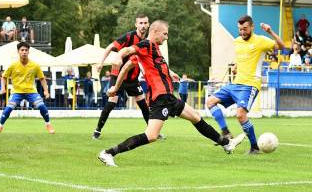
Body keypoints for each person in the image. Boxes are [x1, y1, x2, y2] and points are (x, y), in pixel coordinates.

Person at [98, 20, 245, 167]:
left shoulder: (153, 48)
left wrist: (170, 73)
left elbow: (129, 67)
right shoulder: (146, 45)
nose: (166, 37)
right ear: (155, 32)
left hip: (168, 96)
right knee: (151, 136)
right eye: (165, 34)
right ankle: (108, 153)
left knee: (195, 117)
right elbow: (127, 51)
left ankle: (227, 143)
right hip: (160, 97)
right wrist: (118, 56)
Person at [206, 15, 285, 155]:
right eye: (240, 29)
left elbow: (282, 46)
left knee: (240, 114)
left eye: (245, 29)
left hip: (250, 84)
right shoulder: (237, 41)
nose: (242, 32)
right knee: (210, 102)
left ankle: (254, 147)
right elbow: (241, 57)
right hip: (235, 83)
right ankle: (226, 132)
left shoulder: (261, 41)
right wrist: (237, 67)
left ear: (252, 27)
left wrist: (270, 31)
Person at [93, 14, 151, 140]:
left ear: (148, 25)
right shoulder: (129, 36)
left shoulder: (147, 42)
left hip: (133, 79)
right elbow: (110, 47)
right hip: (117, 75)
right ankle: (97, 130)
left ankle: (152, 131)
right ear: (136, 24)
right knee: (111, 103)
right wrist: (101, 63)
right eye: (140, 23)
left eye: (145, 23)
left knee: (143, 104)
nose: (143, 25)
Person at [0, 42, 55, 134]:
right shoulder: (13, 65)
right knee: (9, 108)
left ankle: (48, 124)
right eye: (22, 50)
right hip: (17, 92)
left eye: (26, 50)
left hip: (31, 91)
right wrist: (3, 88)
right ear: (18, 52)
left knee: (42, 106)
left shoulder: (35, 65)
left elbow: (42, 78)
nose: (24, 52)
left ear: (28, 52)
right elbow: (3, 77)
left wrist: (46, 91)